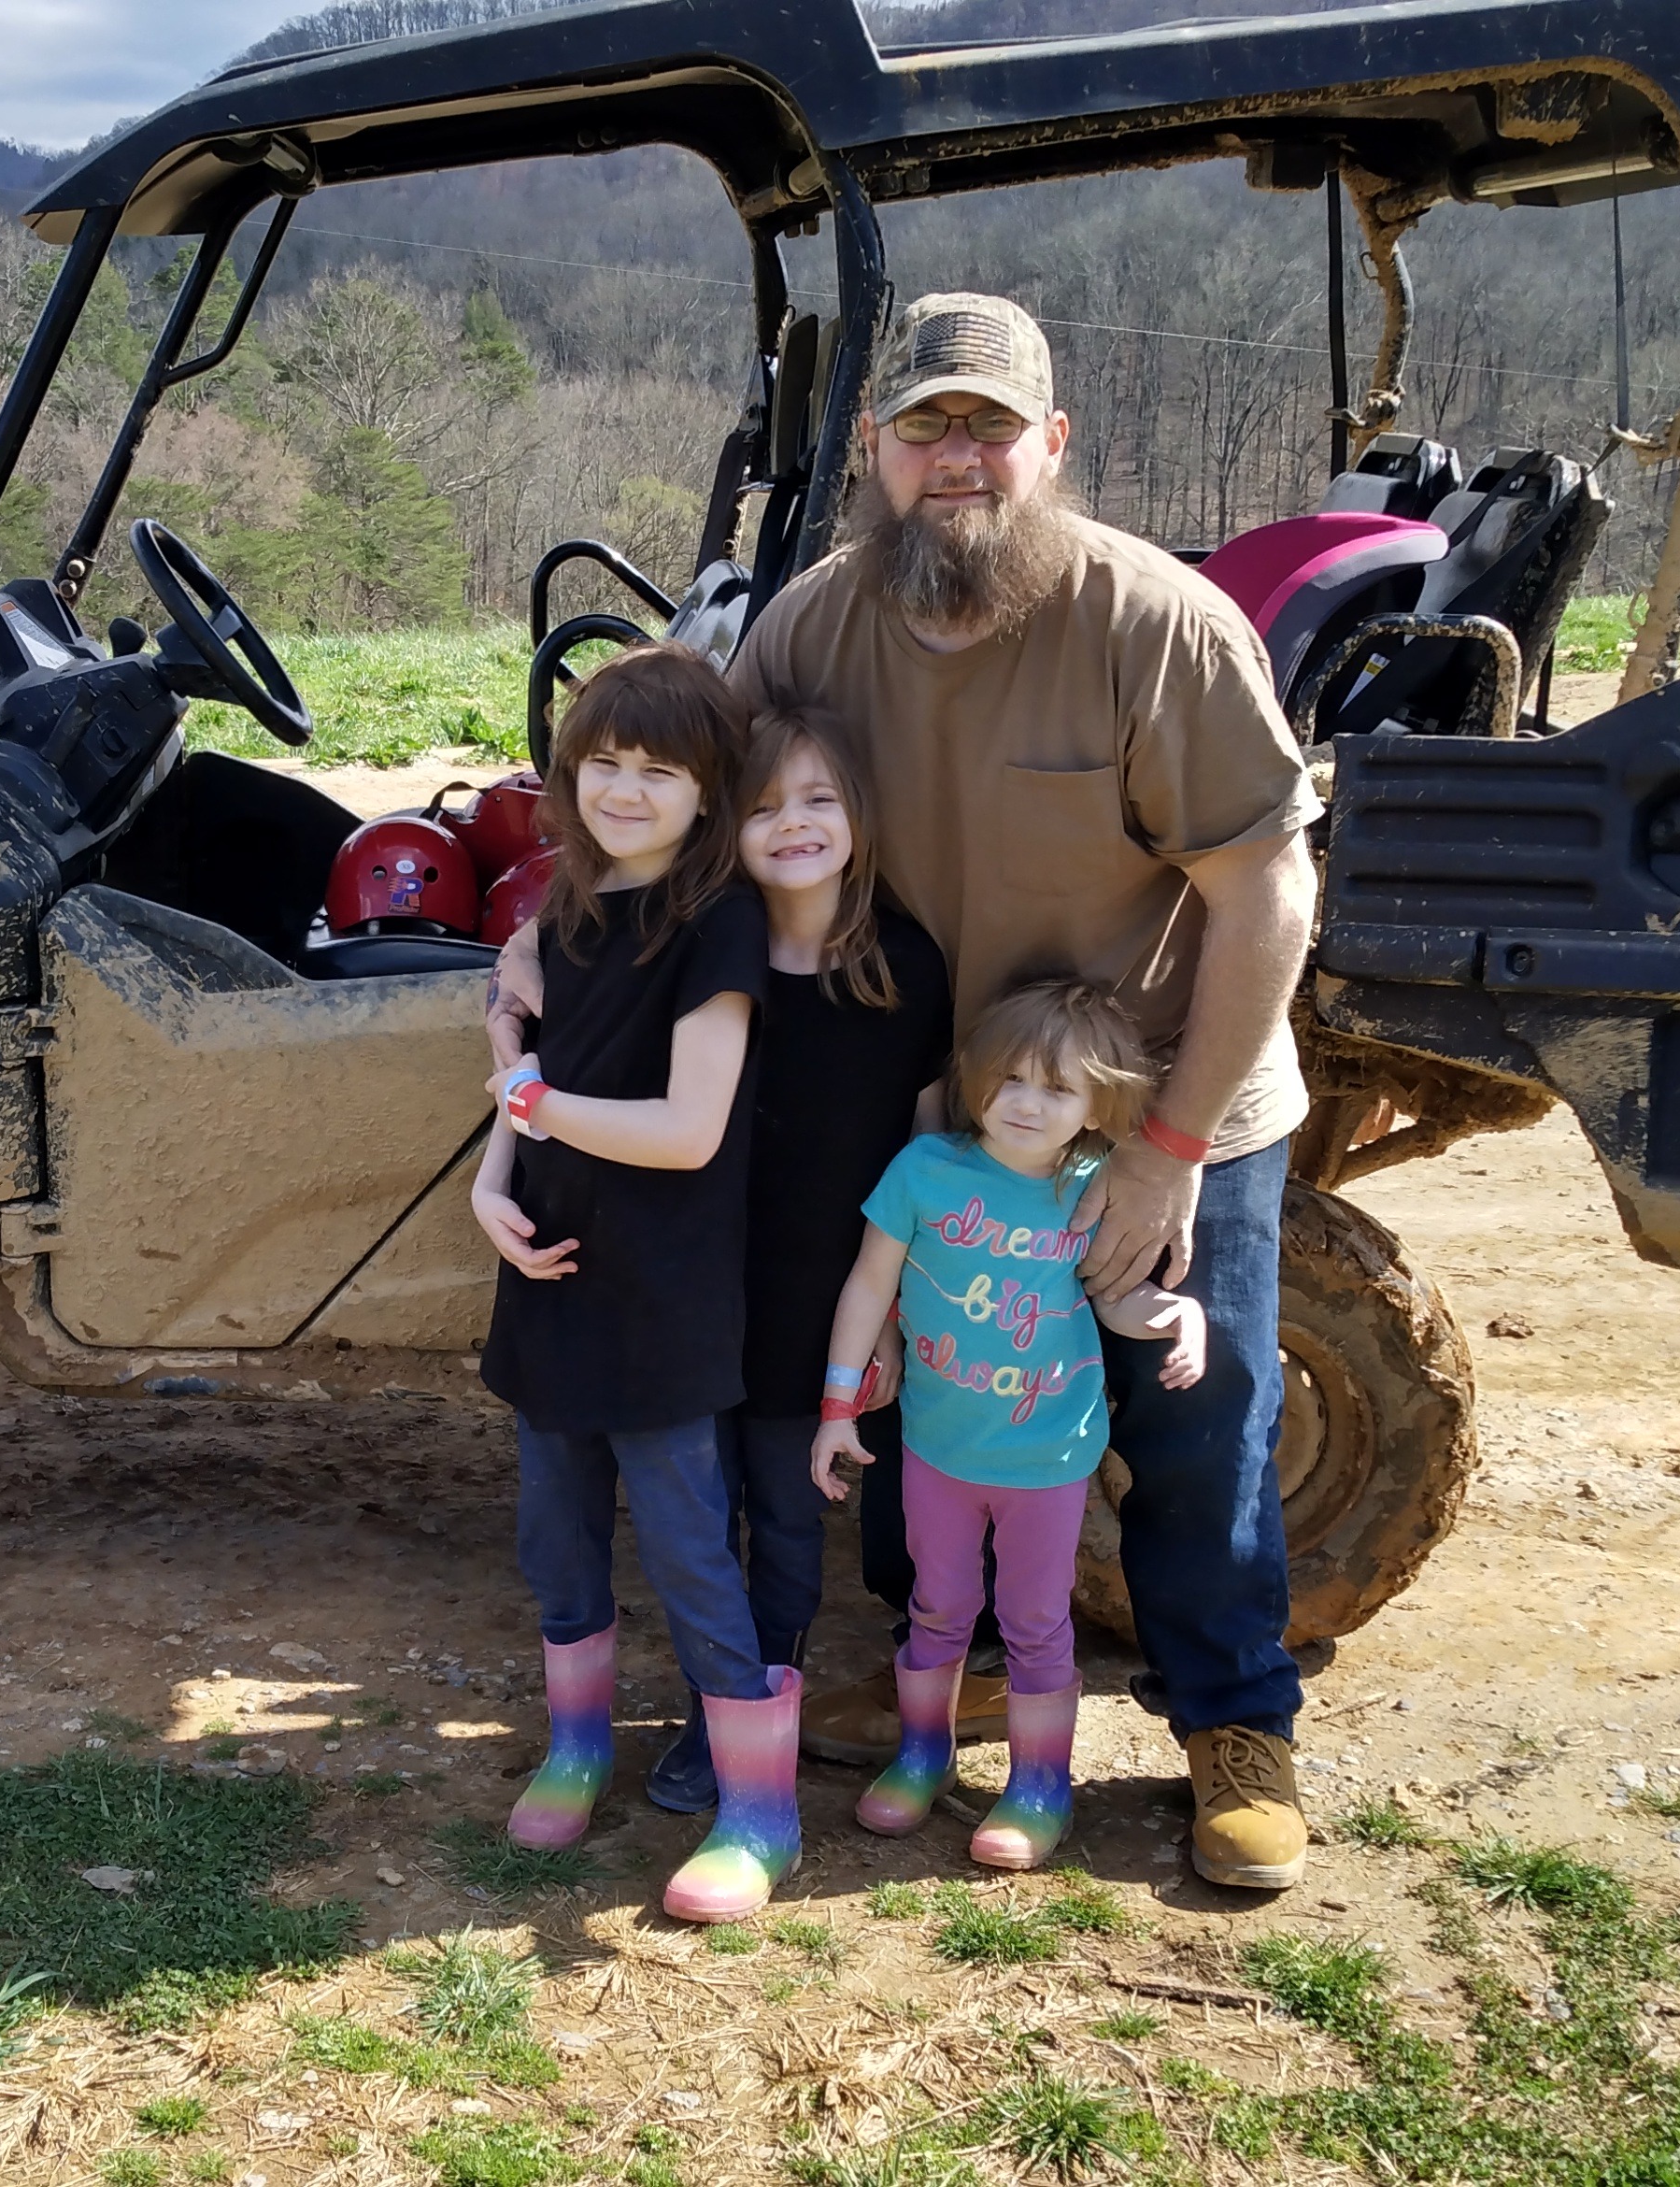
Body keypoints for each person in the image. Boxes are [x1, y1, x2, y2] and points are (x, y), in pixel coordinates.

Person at [523, 290, 1325, 1888]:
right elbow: (683, 822)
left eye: (991, 427)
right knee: (921, 1399)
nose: (957, 458)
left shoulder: (1155, 625)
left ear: (1053, 443)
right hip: (928, 1122)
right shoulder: (812, 629)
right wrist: (526, 960)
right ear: (875, 454)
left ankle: (1236, 1720)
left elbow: (1267, 894)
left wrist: (1168, 1150)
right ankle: (949, 1670)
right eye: (924, 427)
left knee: (1191, 1415)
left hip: (1150, 1104)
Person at [504, 711, 955, 1815]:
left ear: (860, 816)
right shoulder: (703, 942)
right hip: (688, 1282)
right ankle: (716, 1708)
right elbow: (571, 1017)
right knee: (694, 1518)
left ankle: (754, 1714)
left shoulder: (904, 966)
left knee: (787, 1516)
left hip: (821, 1293)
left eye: (818, 800)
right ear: (723, 824)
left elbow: (925, 1147)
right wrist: (510, 974)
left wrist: (888, 1316)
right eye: (762, 807)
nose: (791, 825)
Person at [469, 642, 797, 1925]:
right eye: (602, 763)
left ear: (710, 791)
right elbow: (524, 1072)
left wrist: (528, 1101)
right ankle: (576, 1749)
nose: (623, 790)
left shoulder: (718, 925)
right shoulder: (565, 908)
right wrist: (492, 1182)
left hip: (663, 1293)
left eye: (658, 772)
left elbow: (688, 1130)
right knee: (552, 1534)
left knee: (686, 1544)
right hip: (548, 1271)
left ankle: (759, 1806)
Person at [810, 979, 1206, 1870]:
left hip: (1046, 1460)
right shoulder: (925, 1171)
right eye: (1012, 1078)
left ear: (1098, 1106)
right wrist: (838, 1405)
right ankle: (923, 1755)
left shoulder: (1094, 1187)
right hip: (938, 1449)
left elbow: (1117, 1298)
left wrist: (1180, 1316)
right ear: (977, 1078)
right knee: (936, 1606)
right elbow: (869, 1282)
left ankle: (1039, 1785)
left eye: (1059, 1089)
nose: (1027, 1103)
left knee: (1035, 1619)